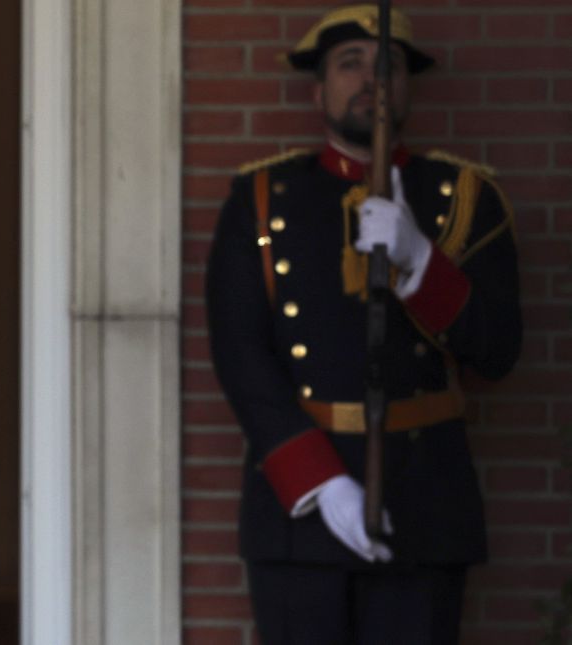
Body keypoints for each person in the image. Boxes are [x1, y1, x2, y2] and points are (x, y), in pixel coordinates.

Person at [206, 5, 521, 644]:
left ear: (409, 86)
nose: (372, 79)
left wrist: (420, 264)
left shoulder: (464, 198)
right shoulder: (261, 199)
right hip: (300, 511)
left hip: (425, 501)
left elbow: (497, 350)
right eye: (350, 64)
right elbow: (240, 356)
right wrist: (320, 482)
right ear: (319, 88)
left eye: (390, 65)